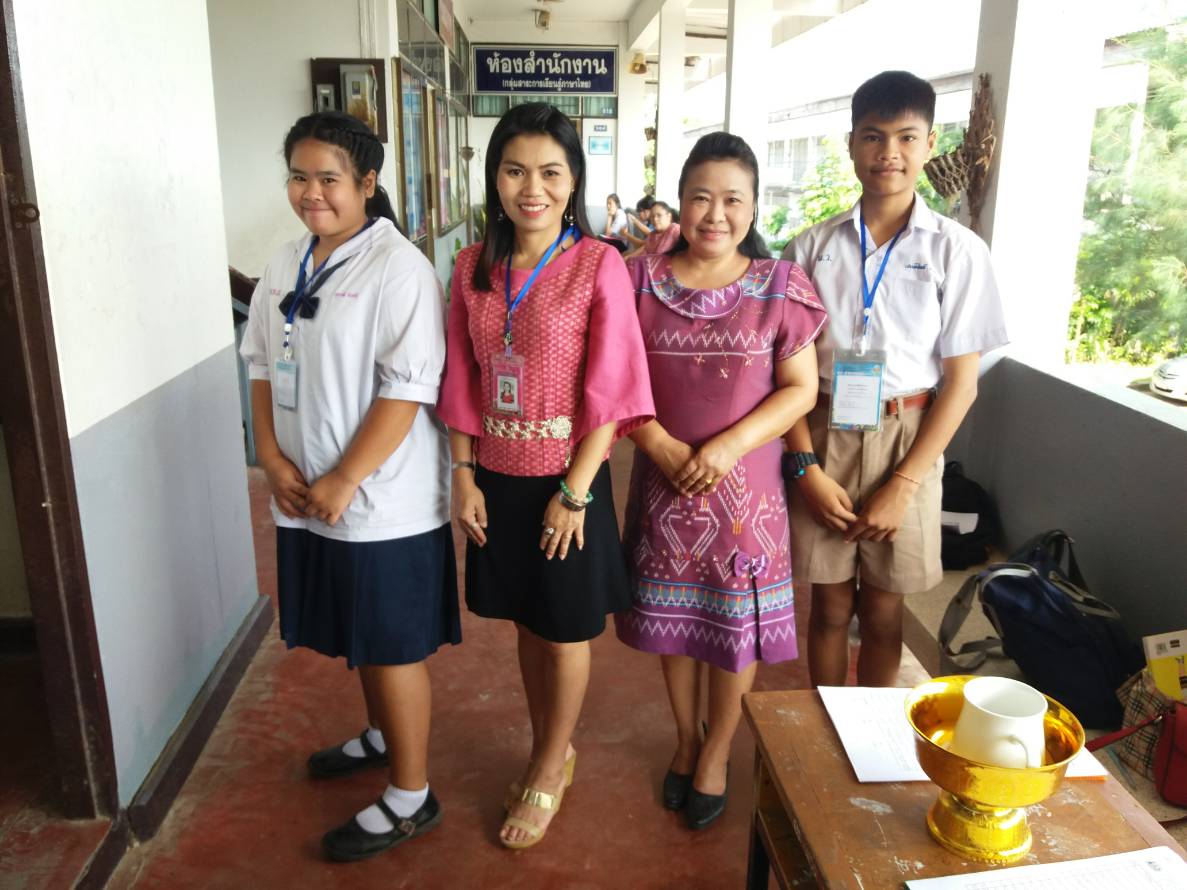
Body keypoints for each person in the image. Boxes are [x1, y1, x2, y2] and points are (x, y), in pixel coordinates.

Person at [240, 111, 459, 862]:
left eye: (328, 178)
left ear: (367, 183)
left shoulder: (399, 269)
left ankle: (411, 796)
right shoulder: (285, 261)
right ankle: (381, 735)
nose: (311, 192)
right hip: (306, 492)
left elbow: (408, 387)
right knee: (359, 634)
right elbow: (262, 363)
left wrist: (345, 477)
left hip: (380, 502)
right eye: (298, 177)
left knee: (391, 645)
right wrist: (271, 457)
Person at [437, 102, 653, 849]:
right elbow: (461, 377)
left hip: (569, 481)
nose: (532, 188)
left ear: (574, 181)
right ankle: (549, 747)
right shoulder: (471, 266)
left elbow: (612, 387)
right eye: (515, 170)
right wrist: (462, 473)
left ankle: (549, 764)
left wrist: (575, 493)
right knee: (527, 622)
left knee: (563, 633)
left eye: (550, 173)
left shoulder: (598, 264)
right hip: (495, 476)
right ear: (494, 178)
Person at [616, 132, 826, 830]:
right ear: (678, 202)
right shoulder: (636, 281)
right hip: (663, 481)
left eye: (733, 199)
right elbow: (615, 381)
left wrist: (729, 447)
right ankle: (684, 738)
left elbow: (800, 389)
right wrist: (659, 444)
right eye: (701, 197)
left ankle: (715, 751)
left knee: (733, 625)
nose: (716, 214)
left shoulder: (780, 287)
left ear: (754, 206)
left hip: (747, 493)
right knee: (673, 624)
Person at [781, 70, 1007, 689]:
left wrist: (904, 486)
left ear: (930, 144)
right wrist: (805, 469)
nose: (889, 153)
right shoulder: (810, 248)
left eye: (907, 137)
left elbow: (962, 384)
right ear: (851, 144)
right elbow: (785, 374)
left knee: (884, 614)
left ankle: (872, 732)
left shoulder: (957, 251)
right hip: (823, 430)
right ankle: (829, 726)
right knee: (829, 608)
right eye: (873, 136)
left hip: (909, 437)